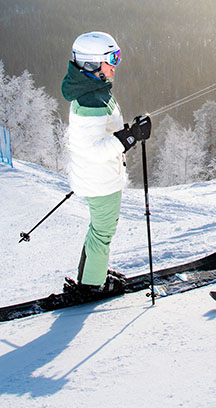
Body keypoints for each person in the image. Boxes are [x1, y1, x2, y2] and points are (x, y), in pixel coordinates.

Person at [60, 31, 151, 296]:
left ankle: (91, 272)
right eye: (111, 59)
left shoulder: (93, 90)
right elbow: (94, 151)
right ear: (91, 63)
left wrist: (128, 132)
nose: (115, 65)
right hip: (100, 179)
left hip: (96, 177)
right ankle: (92, 285)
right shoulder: (90, 100)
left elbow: (102, 136)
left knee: (97, 228)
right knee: (103, 232)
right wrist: (131, 136)